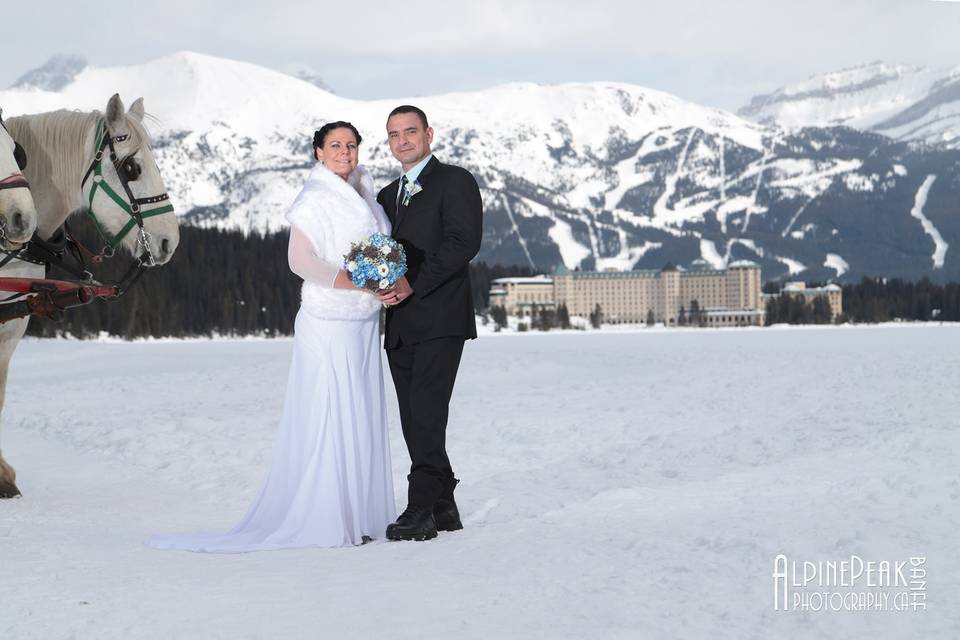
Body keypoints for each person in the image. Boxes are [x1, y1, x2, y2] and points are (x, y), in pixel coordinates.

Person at [146, 122, 396, 552]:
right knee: (328, 411)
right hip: (330, 318)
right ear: (318, 152)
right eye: (335, 145)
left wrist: (383, 284)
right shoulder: (315, 197)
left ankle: (360, 512)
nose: (345, 151)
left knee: (360, 409)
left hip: (364, 320)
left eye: (351, 145)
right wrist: (358, 282)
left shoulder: (365, 193)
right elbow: (300, 261)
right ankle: (328, 514)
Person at [375, 105, 483, 542]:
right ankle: (444, 504)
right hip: (399, 324)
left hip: (440, 317)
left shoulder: (454, 180)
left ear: (429, 134)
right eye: (394, 134)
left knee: (427, 412)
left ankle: (420, 509)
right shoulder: (385, 196)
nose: (402, 140)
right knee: (411, 416)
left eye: (410, 131)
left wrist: (411, 284)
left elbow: (463, 243)